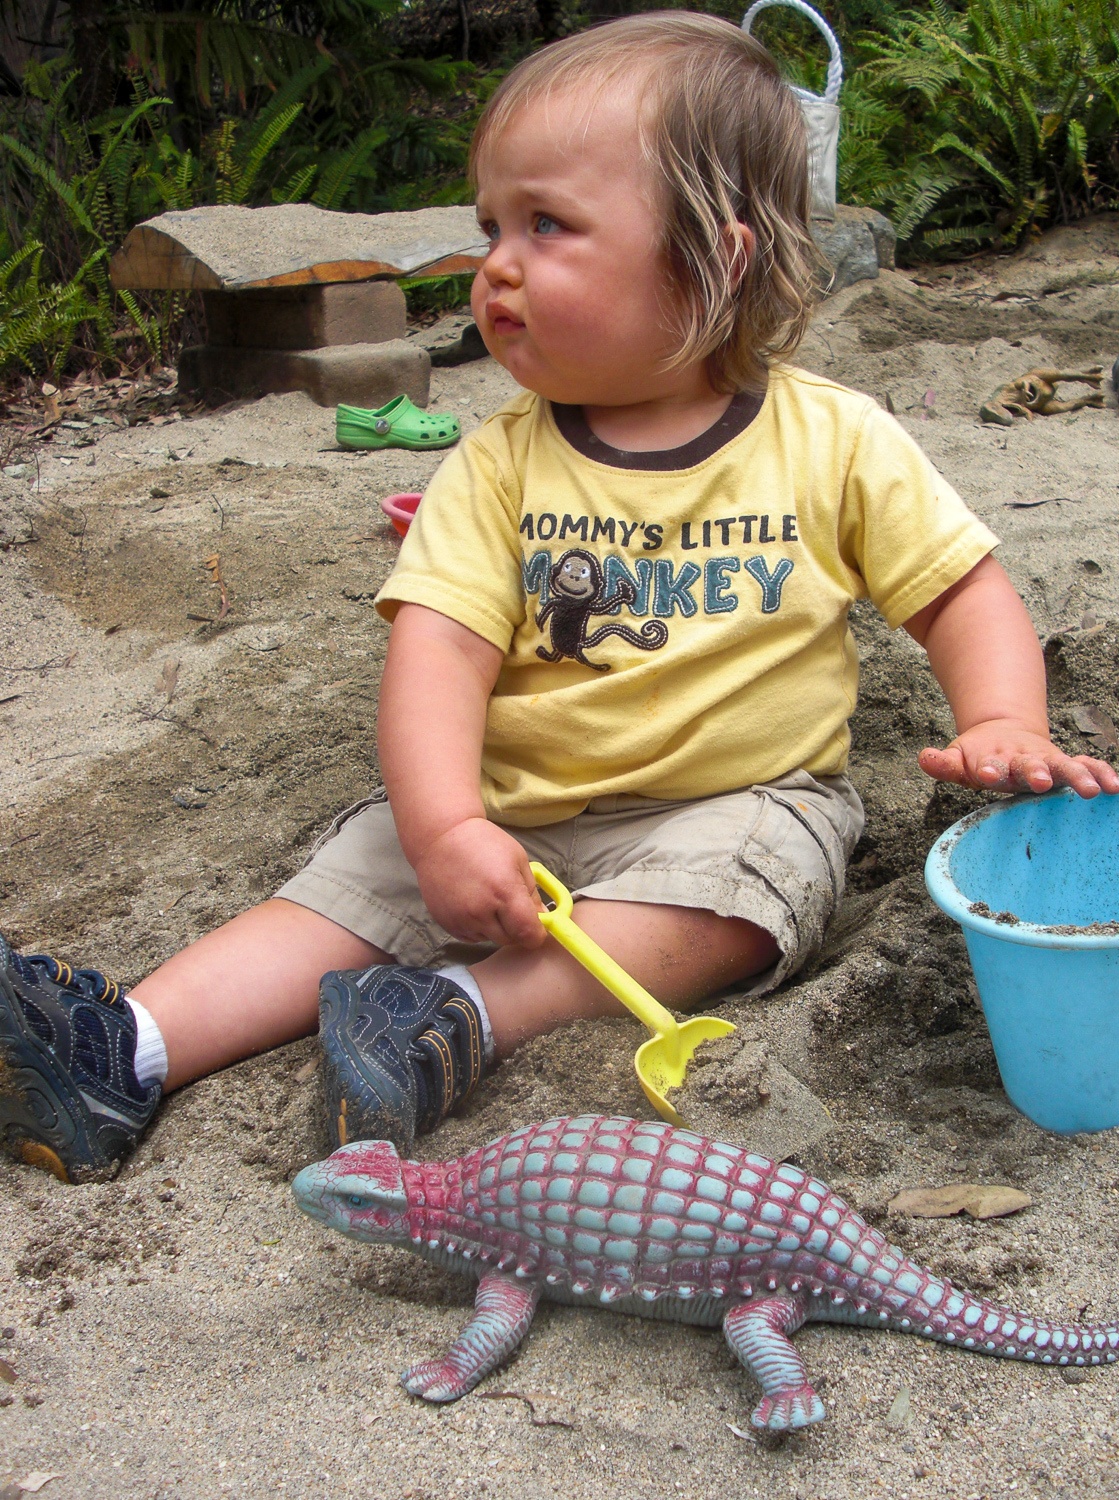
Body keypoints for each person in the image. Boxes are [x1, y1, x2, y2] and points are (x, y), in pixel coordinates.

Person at [3, 13, 1117, 1184]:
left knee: (747, 896)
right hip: (509, 809)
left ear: (715, 258)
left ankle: (456, 1016)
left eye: (549, 225)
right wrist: (443, 831)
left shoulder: (834, 438)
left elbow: (962, 592)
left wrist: (1001, 720)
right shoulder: (497, 463)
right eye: (492, 227)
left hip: (728, 802)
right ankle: (123, 1051)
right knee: (340, 889)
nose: (496, 264)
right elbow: (438, 658)